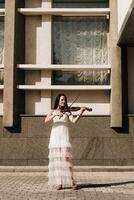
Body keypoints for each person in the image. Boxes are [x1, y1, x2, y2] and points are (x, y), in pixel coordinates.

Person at [44, 93, 86, 190]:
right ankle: (59, 183)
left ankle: (72, 181)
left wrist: (81, 112)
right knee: (56, 160)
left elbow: (74, 121)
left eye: (65, 100)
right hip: (54, 137)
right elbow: (46, 120)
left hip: (63, 137)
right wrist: (54, 114)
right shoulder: (52, 111)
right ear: (58, 100)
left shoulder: (67, 112)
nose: (64, 101)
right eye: (62, 99)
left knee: (66, 159)